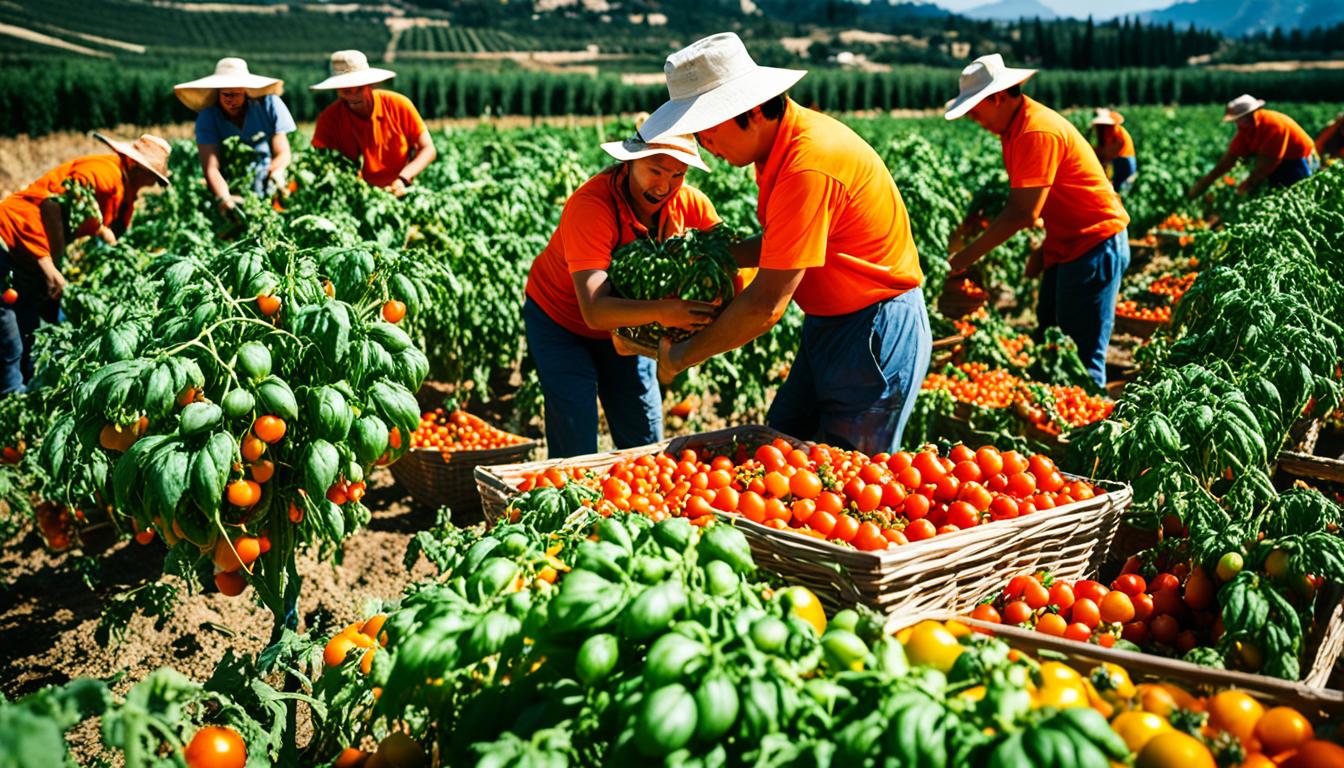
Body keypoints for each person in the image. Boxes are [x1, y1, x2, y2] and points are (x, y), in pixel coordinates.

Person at [643, 33, 930, 455]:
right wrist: (717, 253)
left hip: (872, 330)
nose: (704, 145)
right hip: (831, 326)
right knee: (779, 453)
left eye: (706, 129)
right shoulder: (781, 150)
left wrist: (682, 356)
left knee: (852, 483)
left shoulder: (806, 164)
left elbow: (765, 305)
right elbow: (789, 241)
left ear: (753, 110)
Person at [524, 132, 721, 458]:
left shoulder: (689, 204)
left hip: (629, 330)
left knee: (644, 440)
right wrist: (665, 311)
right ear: (628, 163)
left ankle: (640, 507)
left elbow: (731, 255)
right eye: (655, 171)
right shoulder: (592, 206)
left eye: (677, 174)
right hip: (561, 322)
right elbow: (595, 310)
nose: (664, 186)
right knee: (576, 435)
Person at [944, 54, 1129, 390]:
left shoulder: (1035, 130)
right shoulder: (1014, 129)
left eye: (975, 110)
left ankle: (1088, 432)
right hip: (1069, 243)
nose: (974, 119)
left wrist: (962, 259)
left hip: (1095, 243)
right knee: (1049, 339)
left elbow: (1022, 212)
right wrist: (1045, 249)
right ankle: (1053, 427)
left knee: (1079, 357)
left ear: (997, 98)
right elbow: (1040, 201)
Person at [0, 133, 170, 390]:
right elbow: (50, 205)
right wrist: (53, 265)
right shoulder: (105, 175)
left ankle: (28, 399)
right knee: (9, 335)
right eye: (152, 177)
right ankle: (12, 402)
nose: (153, 185)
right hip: (9, 238)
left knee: (28, 328)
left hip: (25, 252)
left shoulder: (122, 188)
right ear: (136, 166)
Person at [174, 57, 295, 214]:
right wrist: (226, 200)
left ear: (245, 91)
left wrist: (276, 173)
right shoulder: (208, 118)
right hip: (232, 191)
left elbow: (283, 152)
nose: (232, 101)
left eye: (237, 94)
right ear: (218, 92)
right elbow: (211, 168)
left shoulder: (268, 105)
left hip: (269, 189)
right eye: (227, 95)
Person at [311, 50, 435, 197]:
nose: (353, 95)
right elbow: (320, 163)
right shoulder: (329, 119)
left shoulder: (397, 105)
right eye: (345, 90)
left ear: (370, 84)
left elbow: (428, 149)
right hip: (354, 198)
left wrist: (402, 179)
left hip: (403, 190)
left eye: (359, 88)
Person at [1189, 95, 1318, 198]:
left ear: (1250, 115)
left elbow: (1269, 161)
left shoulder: (1273, 125)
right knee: (1276, 195)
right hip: (1277, 163)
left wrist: (1249, 183)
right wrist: (1206, 181)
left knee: (1298, 195)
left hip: (1298, 160)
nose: (1236, 122)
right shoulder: (1246, 130)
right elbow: (1230, 158)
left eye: (1238, 118)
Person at [1091, 108, 1137, 193]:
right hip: (1120, 160)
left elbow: (1109, 152)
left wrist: (1092, 152)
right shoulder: (1106, 130)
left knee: (1120, 188)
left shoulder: (1115, 131)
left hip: (1124, 160)